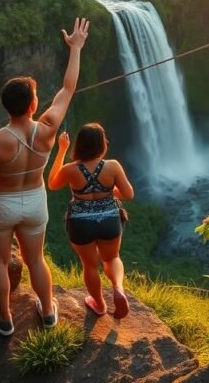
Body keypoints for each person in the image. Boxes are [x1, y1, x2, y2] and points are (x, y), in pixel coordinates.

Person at [0, 17, 90, 336]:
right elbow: (68, 88)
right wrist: (75, 48)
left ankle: (5, 319)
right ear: (34, 104)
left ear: (7, 106)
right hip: (36, 201)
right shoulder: (48, 129)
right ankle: (48, 313)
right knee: (35, 260)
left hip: (2, 205)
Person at [47, 124, 135, 319]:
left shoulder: (71, 170)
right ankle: (118, 289)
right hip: (109, 219)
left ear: (79, 145)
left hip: (80, 223)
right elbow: (128, 193)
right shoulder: (112, 166)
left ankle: (99, 304)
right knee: (112, 258)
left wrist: (61, 150)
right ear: (102, 145)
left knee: (90, 265)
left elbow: (52, 183)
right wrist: (107, 191)